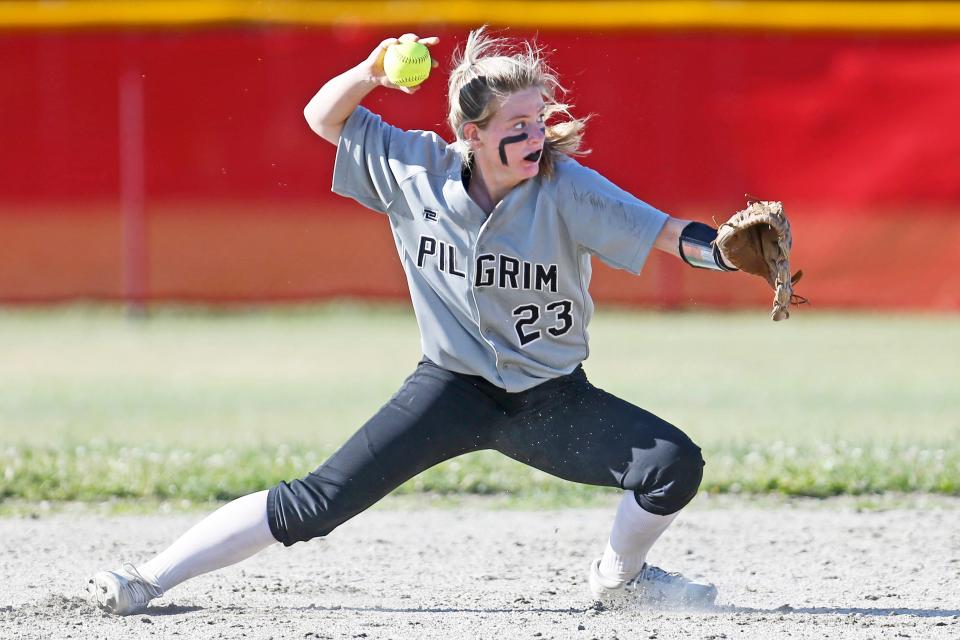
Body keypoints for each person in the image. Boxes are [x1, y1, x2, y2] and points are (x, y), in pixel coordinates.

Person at [88, 27, 741, 616]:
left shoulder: (565, 186)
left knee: (673, 464)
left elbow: (661, 231)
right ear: (473, 133)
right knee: (316, 503)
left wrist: (722, 251)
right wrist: (372, 71)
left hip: (551, 400)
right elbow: (322, 117)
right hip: (449, 390)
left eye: (539, 120)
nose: (536, 137)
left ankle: (619, 580)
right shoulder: (414, 168)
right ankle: (148, 580)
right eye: (517, 123)